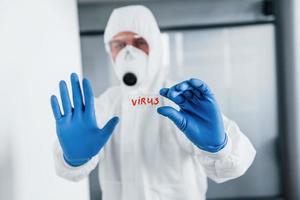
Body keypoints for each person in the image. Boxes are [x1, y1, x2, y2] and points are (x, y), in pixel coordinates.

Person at [50, 5, 256, 200]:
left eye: (139, 43)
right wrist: (72, 158)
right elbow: (70, 173)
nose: (128, 53)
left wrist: (220, 146)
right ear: (110, 51)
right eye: (119, 45)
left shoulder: (180, 98)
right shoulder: (105, 105)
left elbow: (236, 163)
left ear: (155, 47)